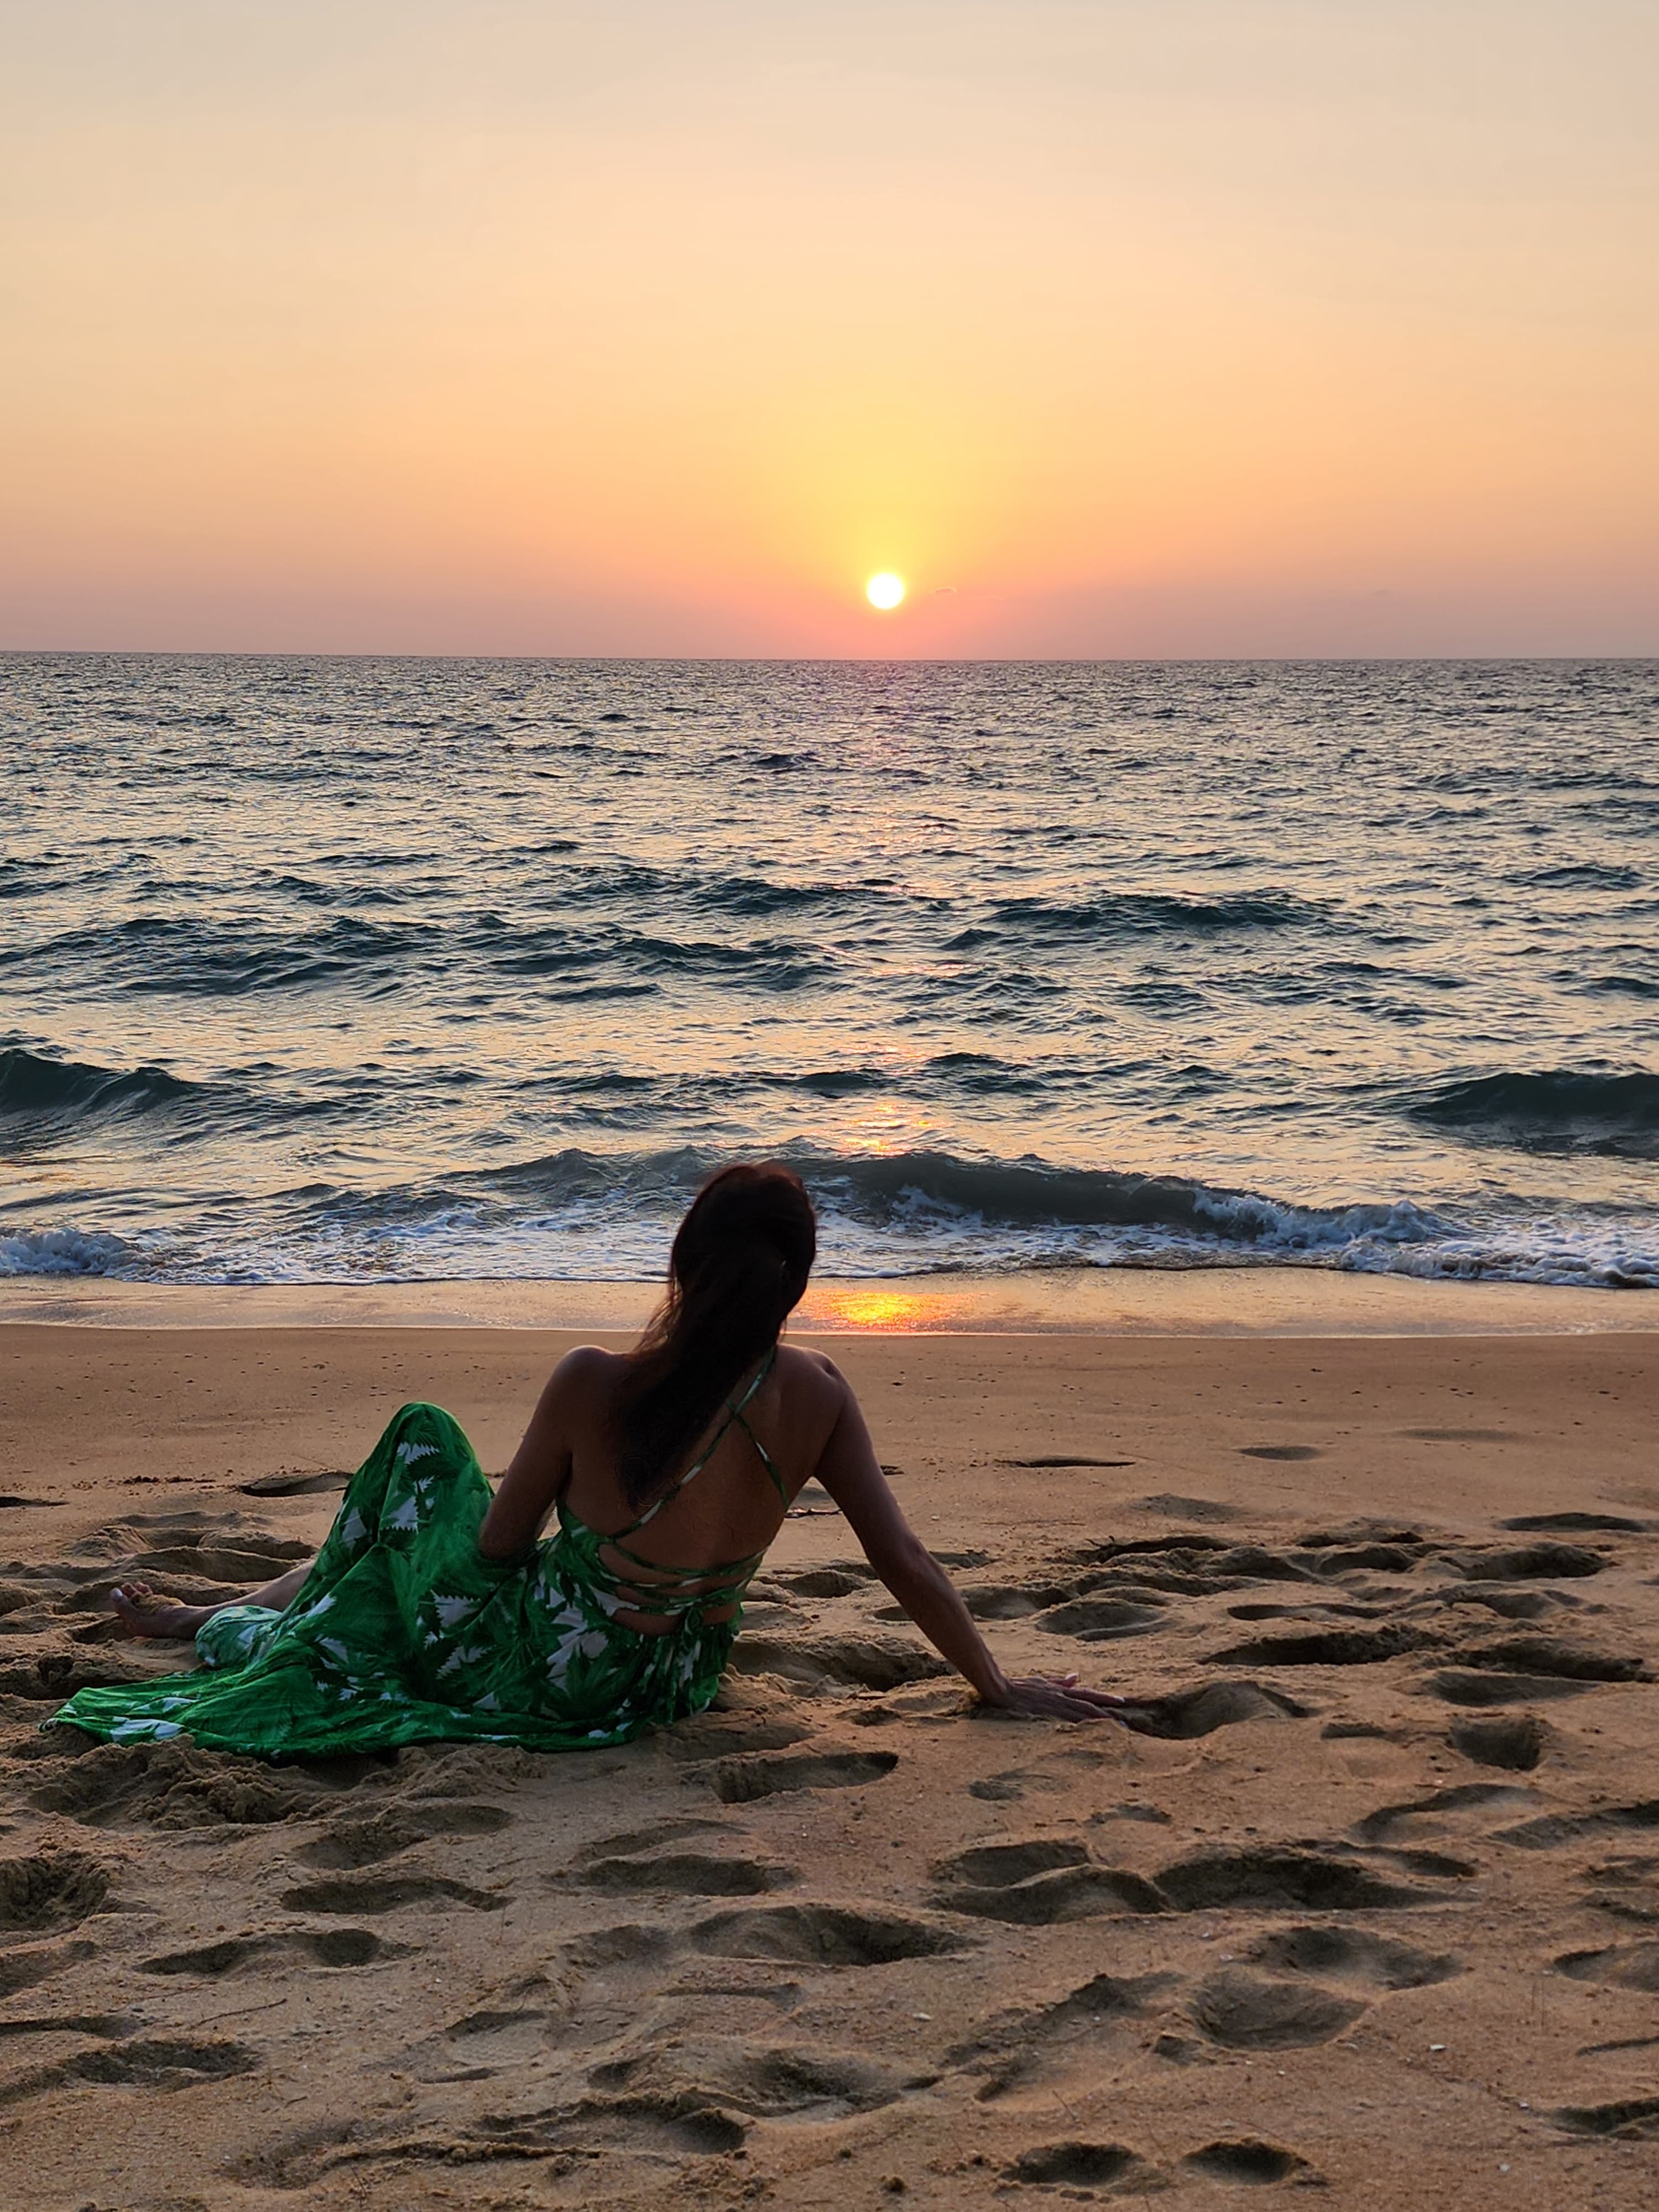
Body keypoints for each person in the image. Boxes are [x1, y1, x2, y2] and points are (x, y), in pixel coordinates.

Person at [53, 1164, 1124, 1756]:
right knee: (393, 1542)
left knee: (418, 1451)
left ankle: (213, 1620)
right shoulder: (822, 1394)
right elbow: (903, 1559)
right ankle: (213, 1610)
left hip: (552, 1672)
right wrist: (994, 1683)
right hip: (669, 1682)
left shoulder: (595, 1382)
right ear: (796, 1283)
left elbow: (495, 1551)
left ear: (682, 1265)